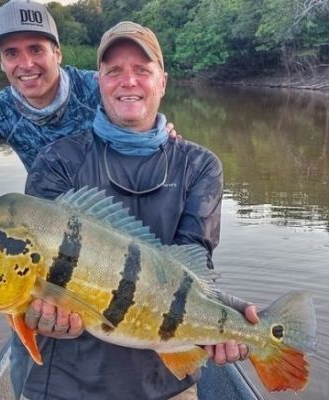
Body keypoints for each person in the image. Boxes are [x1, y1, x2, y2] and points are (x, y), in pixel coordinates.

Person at [16, 21, 259, 400]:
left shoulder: (200, 166)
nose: (128, 81)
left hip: (165, 384)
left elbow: (192, 264)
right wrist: (34, 313)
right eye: (114, 71)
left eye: (142, 71)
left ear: (162, 81)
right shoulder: (56, 162)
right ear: (99, 82)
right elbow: (37, 273)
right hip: (65, 385)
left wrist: (227, 320)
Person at [0, 0, 176, 171]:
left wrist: (162, 135)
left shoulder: (96, 88)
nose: (26, 64)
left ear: (57, 53)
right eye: (12, 53)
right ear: (1, 62)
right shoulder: (0, 112)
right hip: (49, 230)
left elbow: (144, 112)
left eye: (36, 49)